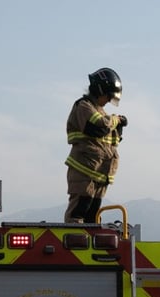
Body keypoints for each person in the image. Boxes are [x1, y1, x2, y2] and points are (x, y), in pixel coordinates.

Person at [64, 67, 126, 224]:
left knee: (93, 217)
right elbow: (100, 127)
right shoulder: (83, 106)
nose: (108, 101)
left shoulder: (101, 112)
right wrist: (116, 120)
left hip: (100, 174)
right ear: (100, 90)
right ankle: (72, 245)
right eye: (108, 96)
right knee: (78, 214)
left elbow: (111, 143)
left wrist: (118, 130)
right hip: (83, 171)